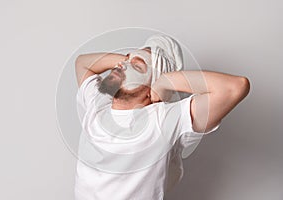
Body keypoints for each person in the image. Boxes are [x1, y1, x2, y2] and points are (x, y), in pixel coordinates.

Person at [74, 38, 250, 200]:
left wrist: (166, 81)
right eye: (125, 62)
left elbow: (235, 87)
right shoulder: (97, 104)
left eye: (137, 67)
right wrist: (127, 59)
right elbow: (82, 63)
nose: (122, 65)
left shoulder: (164, 119)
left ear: (152, 86)